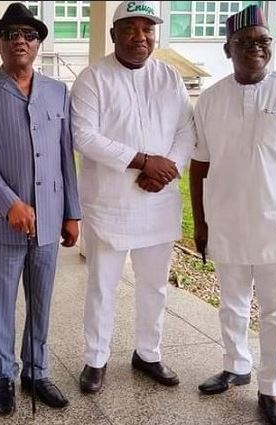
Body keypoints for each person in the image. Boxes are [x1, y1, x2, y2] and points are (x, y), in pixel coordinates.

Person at [190, 5, 276, 425]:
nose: (256, 48)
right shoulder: (211, 99)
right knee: (232, 305)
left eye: (264, 41)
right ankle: (236, 366)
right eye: (245, 42)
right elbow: (199, 165)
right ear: (227, 49)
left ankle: (271, 390)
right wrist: (201, 223)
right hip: (227, 224)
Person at [0, 2, 81, 416]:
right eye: (11, 34)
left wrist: (72, 213)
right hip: (3, 224)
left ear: (38, 44)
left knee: (42, 301)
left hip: (49, 218)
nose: (20, 41)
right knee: (1, 305)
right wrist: (9, 203)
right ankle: (3, 376)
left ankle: (36, 370)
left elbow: (65, 156)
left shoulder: (57, 91)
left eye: (29, 35)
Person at [70, 0, 194, 394]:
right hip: (111, 204)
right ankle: (96, 359)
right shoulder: (93, 78)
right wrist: (142, 161)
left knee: (154, 285)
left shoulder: (169, 77)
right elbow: (84, 136)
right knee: (102, 286)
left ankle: (148, 353)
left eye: (147, 29)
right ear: (114, 34)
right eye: (130, 28)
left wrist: (167, 168)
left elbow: (186, 130)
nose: (140, 36)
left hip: (159, 201)